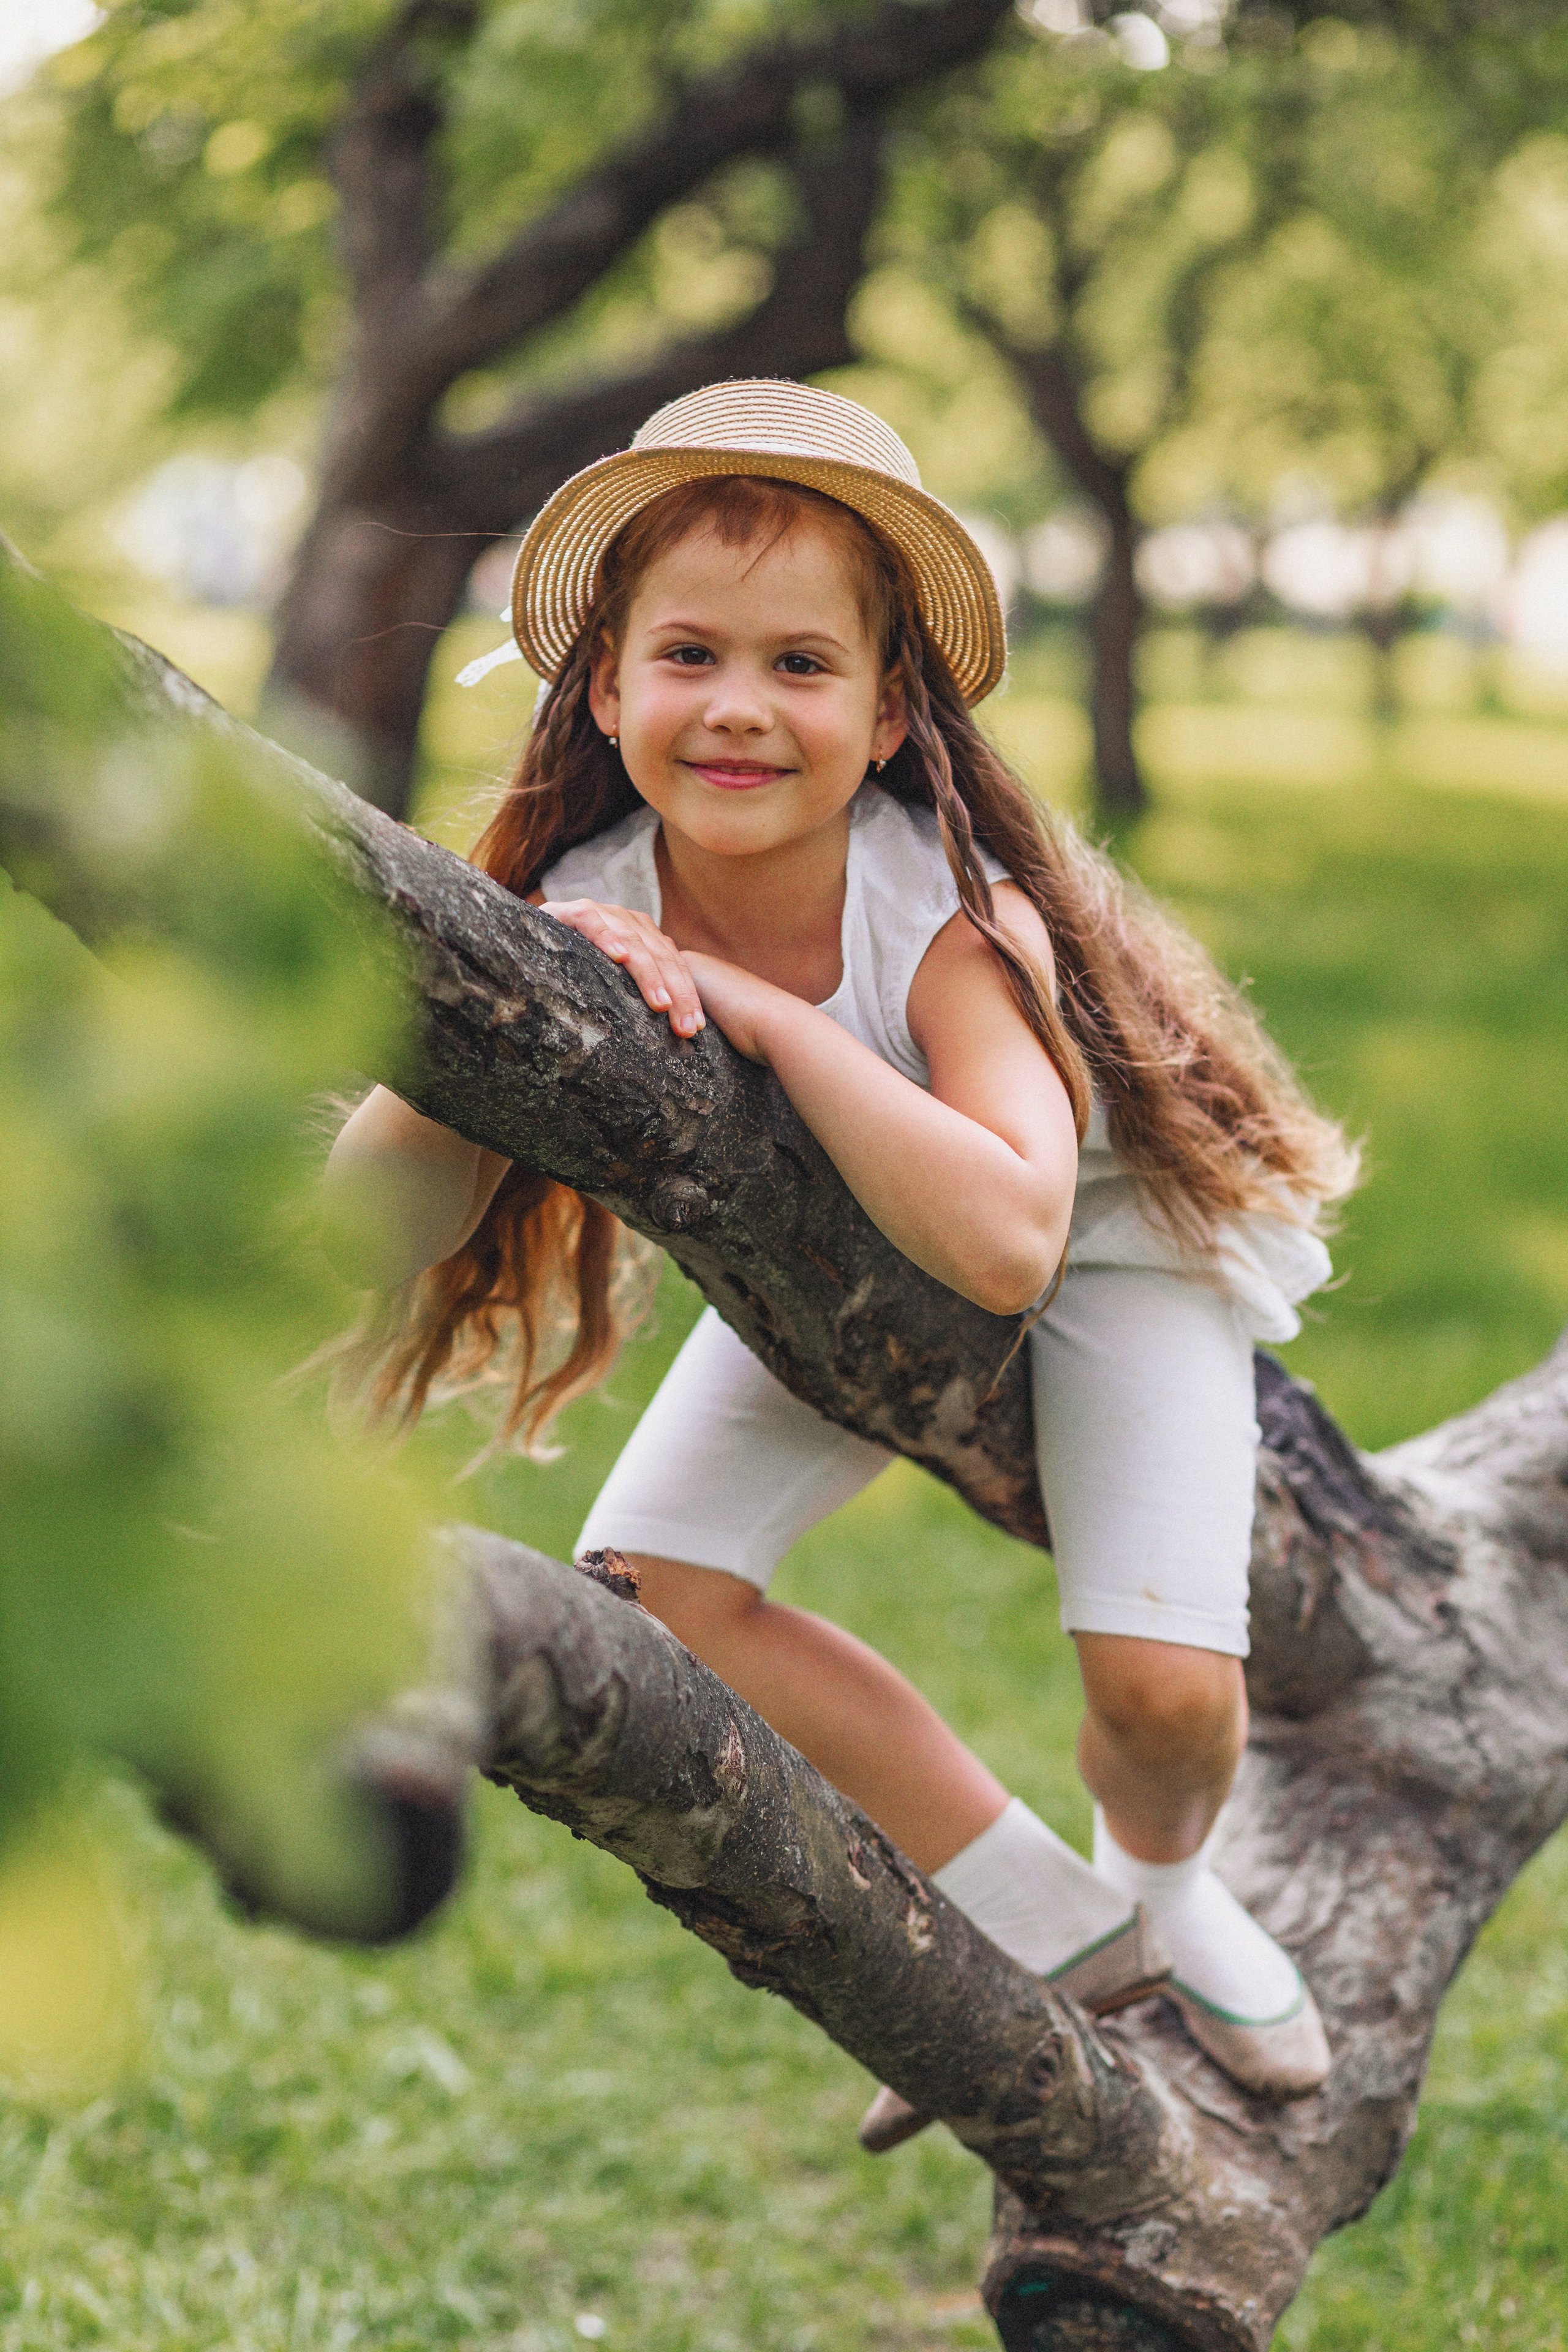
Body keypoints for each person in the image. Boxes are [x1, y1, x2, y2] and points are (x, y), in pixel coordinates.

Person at [326, 380, 1357, 2128]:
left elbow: (1015, 1240)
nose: (739, 709)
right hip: (837, 1249)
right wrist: (483, 1006)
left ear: (889, 714)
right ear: (608, 686)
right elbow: (381, 1221)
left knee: (1167, 1689)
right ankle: (1060, 1929)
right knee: (654, 1582)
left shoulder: (944, 907)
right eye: (691, 657)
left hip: (1104, 1254)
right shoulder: (594, 886)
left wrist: (759, 1016)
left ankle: (1172, 1881)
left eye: (801, 667)